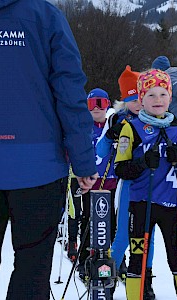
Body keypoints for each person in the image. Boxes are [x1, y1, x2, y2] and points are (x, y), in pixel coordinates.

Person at [0, 1, 98, 299]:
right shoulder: (43, 15)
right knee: (32, 266)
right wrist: (83, 160)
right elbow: (68, 90)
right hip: (38, 168)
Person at [114, 69, 177, 299]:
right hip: (142, 205)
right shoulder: (131, 128)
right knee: (138, 259)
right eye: (150, 95)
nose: (157, 100)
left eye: (162, 94)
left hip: (173, 205)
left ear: (170, 97)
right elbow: (121, 169)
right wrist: (141, 163)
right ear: (141, 99)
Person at [96, 66, 156, 299]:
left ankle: (145, 280)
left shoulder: (154, 116)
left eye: (139, 97)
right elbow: (100, 152)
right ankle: (107, 278)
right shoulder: (116, 118)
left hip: (152, 185)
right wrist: (111, 134)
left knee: (147, 236)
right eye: (132, 99)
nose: (138, 103)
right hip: (129, 183)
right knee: (122, 235)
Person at [67, 88, 117, 266]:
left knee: (111, 220)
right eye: (92, 104)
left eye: (101, 103)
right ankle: (85, 259)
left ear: (108, 105)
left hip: (110, 181)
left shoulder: (112, 126)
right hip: (88, 182)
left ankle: (114, 257)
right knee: (87, 219)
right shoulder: (83, 128)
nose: (96, 108)